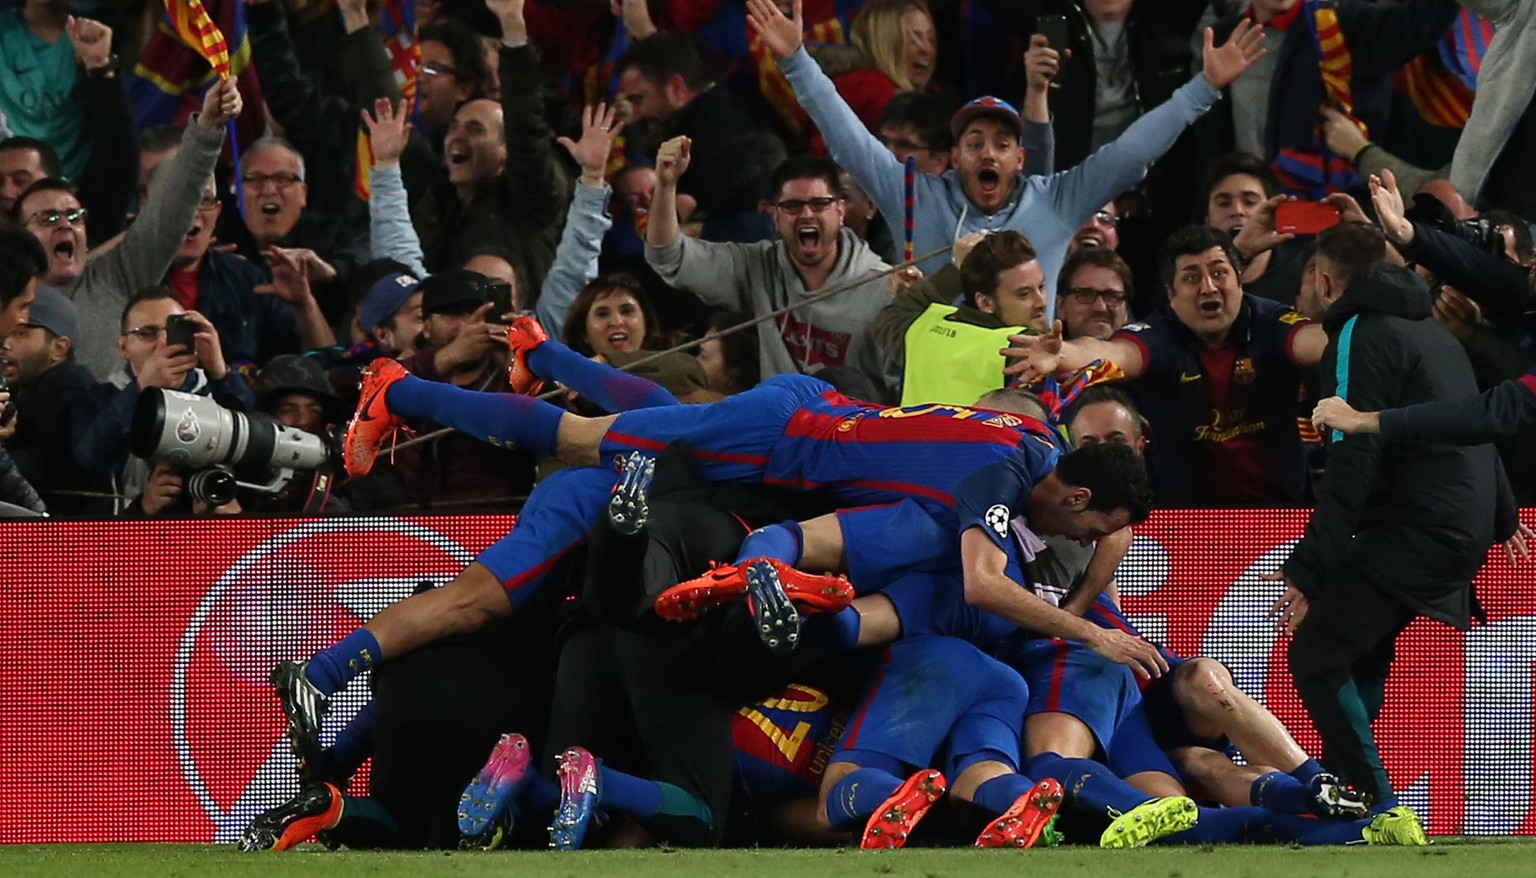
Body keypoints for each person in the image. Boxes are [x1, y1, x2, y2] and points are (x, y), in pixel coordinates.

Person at [1264, 221, 1522, 807]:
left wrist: (1310, 571)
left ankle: (1374, 805)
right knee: (1354, 650)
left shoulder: (1356, 331)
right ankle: (1352, 798)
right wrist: (1500, 513)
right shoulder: (1431, 329)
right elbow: (1470, 419)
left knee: (1317, 653)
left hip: (1419, 524)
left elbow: (1354, 458)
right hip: (1457, 519)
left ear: (1322, 280)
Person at [750, 0, 1267, 291]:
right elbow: (847, 138)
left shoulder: (1058, 200)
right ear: (955, 158)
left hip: (1028, 388)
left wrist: (1203, 87)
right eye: (974, 142)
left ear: (1022, 158)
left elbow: (1134, 151)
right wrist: (796, 60)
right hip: (940, 394)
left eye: (1002, 143)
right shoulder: (915, 197)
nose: (989, 153)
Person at [1003, 224, 1328, 506]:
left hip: (1285, 515)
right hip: (1181, 522)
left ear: (1239, 280)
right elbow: (1114, 354)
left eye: (1219, 272)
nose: (1208, 287)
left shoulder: (1272, 322)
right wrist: (1064, 357)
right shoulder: (1158, 336)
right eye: (1191, 277)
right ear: (1170, 294)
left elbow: (1320, 343)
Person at [11, 79, 240, 379]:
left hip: (120, 421)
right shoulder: (6, 301)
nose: (65, 224)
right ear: (20, 239)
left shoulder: (118, 274)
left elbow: (172, 208)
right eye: (48, 219)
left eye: (74, 216)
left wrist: (208, 126)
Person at [646, 147, 891, 394]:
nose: (807, 215)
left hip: (855, 428)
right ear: (774, 215)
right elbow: (668, 256)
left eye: (819, 204)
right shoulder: (757, 266)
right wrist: (666, 185)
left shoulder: (884, 286)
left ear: (840, 211)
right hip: (780, 427)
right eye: (793, 206)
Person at [71, 288, 255, 516]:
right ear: (123, 347)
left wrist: (221, 372)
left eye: (176, 331)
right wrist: (141, 389)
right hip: (127, 537)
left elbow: (254, 444)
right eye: (148, 333)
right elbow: (89, 458)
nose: (163, 343)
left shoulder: (216, 391)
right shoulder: (97, 398)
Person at [871, 231, 1049, 406]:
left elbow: (893, 315)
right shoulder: (1022, 346)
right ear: (985, 303)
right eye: (1024, 294)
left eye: (1041, 287)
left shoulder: (921, 329)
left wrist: (957, 269)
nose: (1041, 301)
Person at [0, 286, 109, 516]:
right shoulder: (23, 389)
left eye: (21, 333)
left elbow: (37, 470)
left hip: (64, 539)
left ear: (59, 349)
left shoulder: (69, 388)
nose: (6, 344)